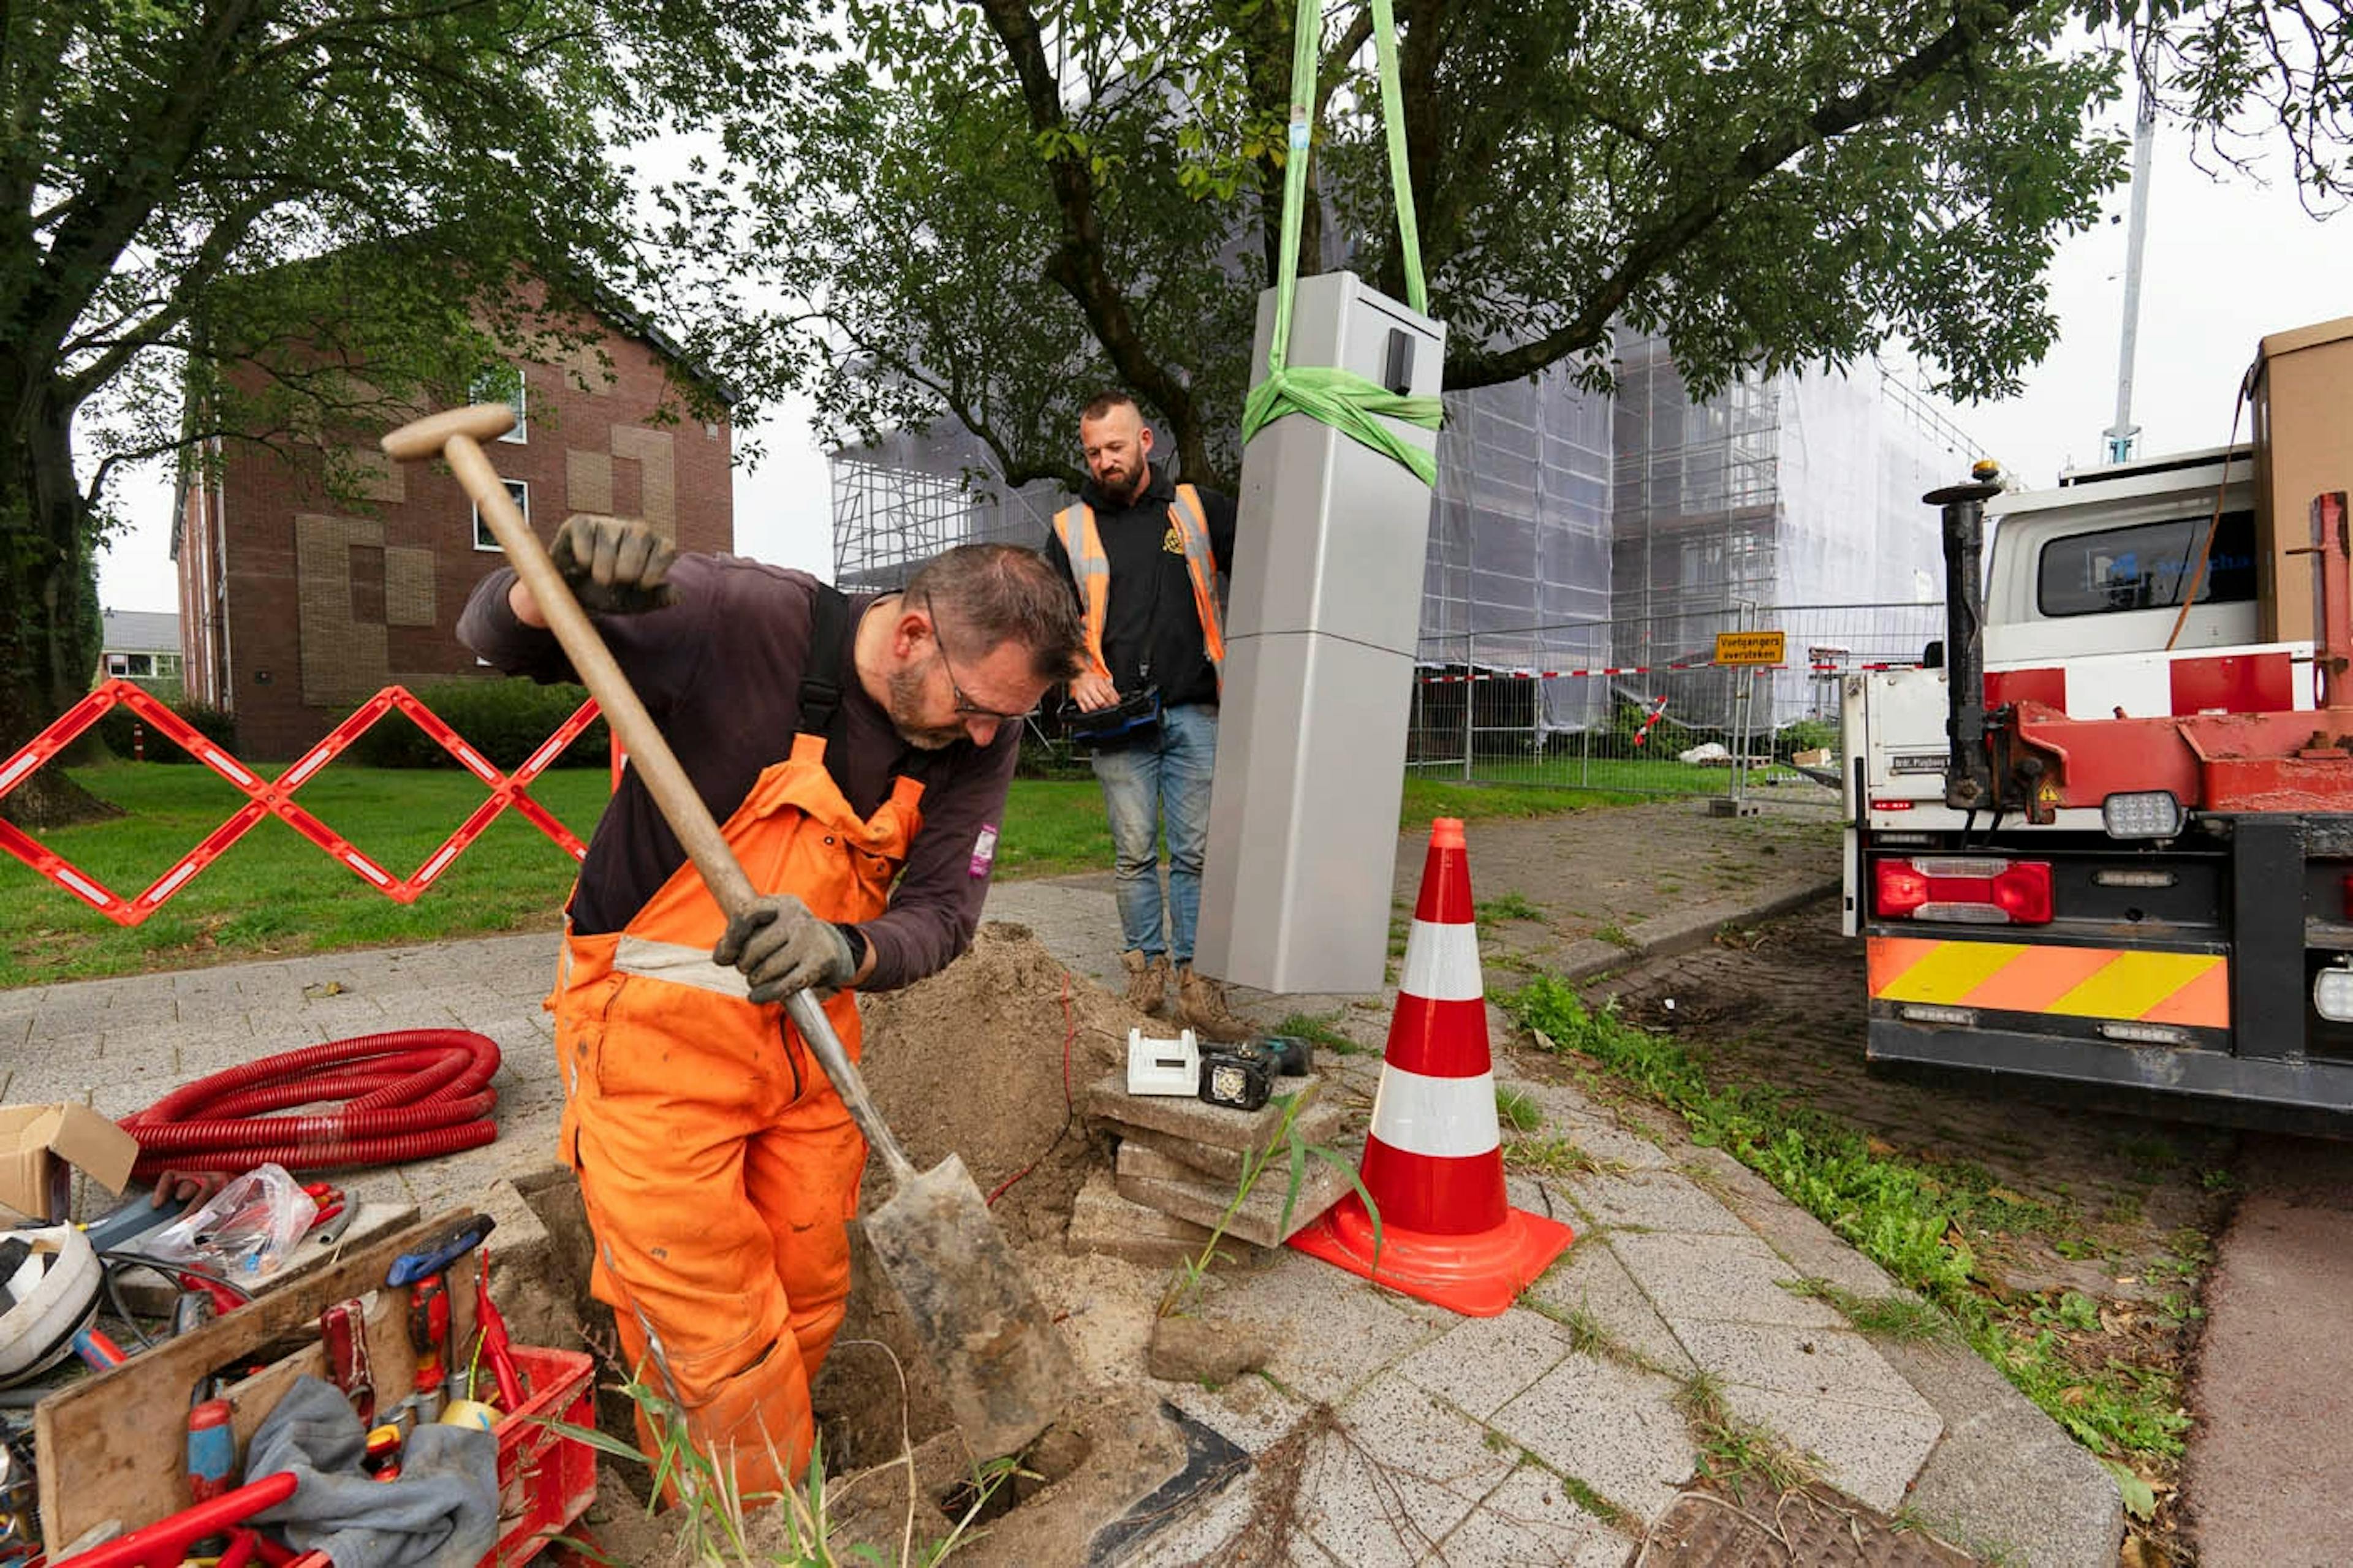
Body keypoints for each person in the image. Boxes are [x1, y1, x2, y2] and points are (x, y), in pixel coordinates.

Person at [458, 521, 1082, 1494]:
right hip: (652, 1038)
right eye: (977, 708)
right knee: (714, 1335)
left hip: (809, 1044)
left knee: (809, 1285)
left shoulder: (977, 733)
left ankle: (791, 1459)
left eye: (1011, 717)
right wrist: (547, 588)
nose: (986, 737)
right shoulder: (738, 614)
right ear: (912, 633)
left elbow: (946, 914)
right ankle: (756, 1525)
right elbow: (497, 638)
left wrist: (848, 947)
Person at [1042, 390, 1247, 1040]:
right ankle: (1146, 973)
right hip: (1119, 723)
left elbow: (1273, 572)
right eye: (1093, 451)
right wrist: (1076, 673)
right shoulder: (1069, 529)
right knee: (1133, 856)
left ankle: (1198, 982)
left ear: (1146, 442)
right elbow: (1048, 619)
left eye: (1115, 447)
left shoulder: (1198, 510)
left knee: (1198, 855)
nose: (1104, 461)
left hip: (1195, 710)